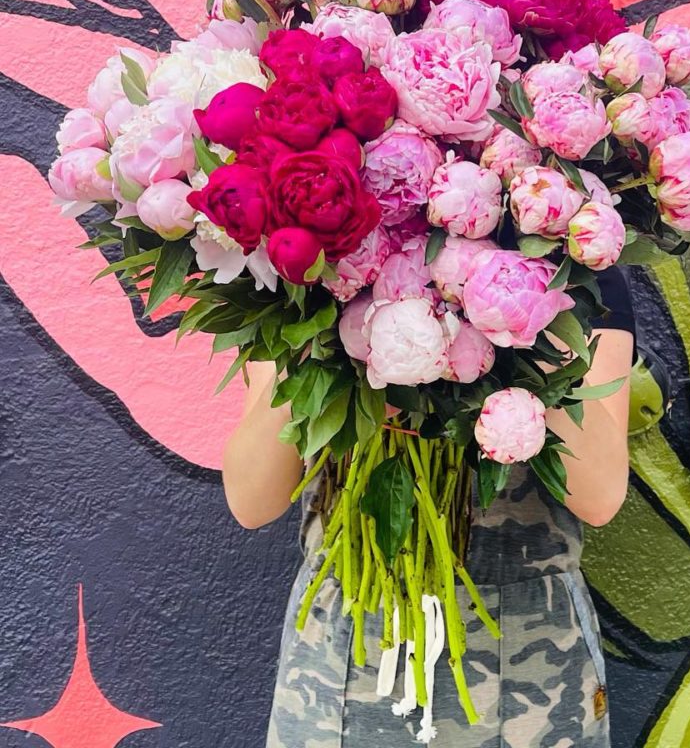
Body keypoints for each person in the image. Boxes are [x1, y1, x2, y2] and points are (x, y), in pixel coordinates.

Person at [223, 269, 636, 748]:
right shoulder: (304, 273)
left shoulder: (578, 279)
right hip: (345, 656)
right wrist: (315, 324)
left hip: (530, 665)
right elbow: (252, 501)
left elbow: (600, 495)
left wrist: (522, 310)